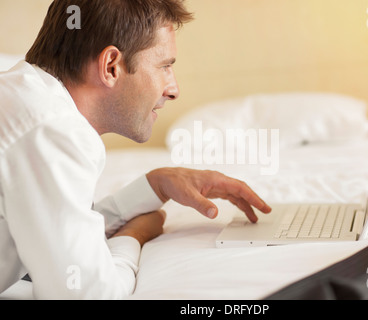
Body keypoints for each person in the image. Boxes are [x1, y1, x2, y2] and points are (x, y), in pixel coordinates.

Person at [0, 0, 271, 299]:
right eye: (164, 66)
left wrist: (155, 186)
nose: (174, 89)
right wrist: (133, 236)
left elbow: (59, 227)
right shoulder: (51, 129)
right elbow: (88, 296)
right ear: (111, 66)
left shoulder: (25, 98)